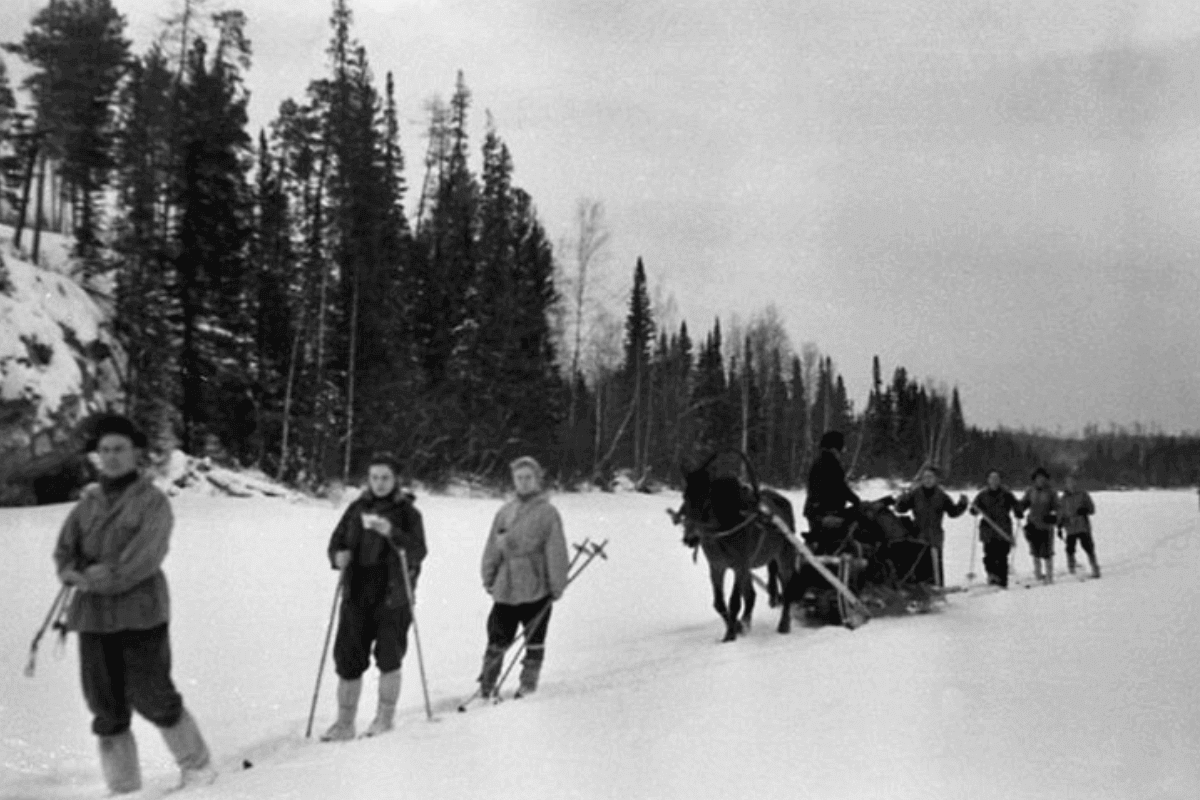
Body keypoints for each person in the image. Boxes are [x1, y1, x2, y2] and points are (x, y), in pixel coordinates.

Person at [52, 414, 214, 794]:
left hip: (140, 613)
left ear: (136, 453)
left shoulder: (152, 501)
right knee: (104, 706)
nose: (111, 457)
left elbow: (146, 556)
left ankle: (197, 766)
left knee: (152, 694)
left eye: (119, 449)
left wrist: (97, 577)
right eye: (104, 450)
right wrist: (70, 573)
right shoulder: (87, 504)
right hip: (92, 617)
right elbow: (65, 551)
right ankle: (123, 786)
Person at [323, 452, 427, 741]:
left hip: (393, 594)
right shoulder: (356, 508)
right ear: (367, 480)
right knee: (348, 657)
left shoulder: (408, 512)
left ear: (396, 480)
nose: (380, 483)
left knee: (389, 656)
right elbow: (337, 542)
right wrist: (337, 556)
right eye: (374, 477)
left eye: (386, 478)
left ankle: (384, 718)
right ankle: (344, 723)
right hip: (357, 590)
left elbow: (418, 551)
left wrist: (391, 532)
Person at [478, 456, 570, 698]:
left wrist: (557, 584)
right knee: (497, 636)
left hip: (536, 584)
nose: (524, 482)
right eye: (519, 478)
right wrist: (489, 576)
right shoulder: (505, 512)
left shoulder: (548, 513)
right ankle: (486, 684)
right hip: (506, 585)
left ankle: (528, 684)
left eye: (529, 477)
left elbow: (556, 550)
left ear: (537, 479)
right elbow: (492, 546)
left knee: (535, 636)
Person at [894, 466, 968, 586]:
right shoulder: (915, 494)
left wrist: (962, 505)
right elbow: (901, 509)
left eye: (930, 477)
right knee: (919, 566)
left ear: (936, 479)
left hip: (935, 537)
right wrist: (901, 499)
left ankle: (937, 588)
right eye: (925, 477)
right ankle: (920, 591)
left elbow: (953, 512)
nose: (927, 480)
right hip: (918, 536)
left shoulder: (942, 496)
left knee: (935, 567)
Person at [803, 431, 861, 551]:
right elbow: (840, 487)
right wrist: (856, 501)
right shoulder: (830, 463)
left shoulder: (819, 461)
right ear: (835, 448)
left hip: (815, 512)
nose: (841, 452)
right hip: (826, 512)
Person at [969, 470, 1022, 587]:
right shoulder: (982, 495)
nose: (994, 482)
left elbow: (1016, 505)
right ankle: (991, 576)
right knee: (989, 556)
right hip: (988, 531)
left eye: (996, 479)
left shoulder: (1007, 494)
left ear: (999, 481)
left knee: (1002, 556)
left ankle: (1002, 580)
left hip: (1003, 530)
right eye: (992, 479)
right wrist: (973, 510)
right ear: (988, 481)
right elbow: (974, 508)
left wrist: (1018, 512)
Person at [1018, 467, 1060, 583]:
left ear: (1046, 479)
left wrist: (1055, 517)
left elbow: (1058, 507)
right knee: (1034, 551)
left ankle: (1049, 575)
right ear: (1034, 479)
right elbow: (1024, 503)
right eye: (1038, 478)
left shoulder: (1051, 492)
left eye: (1043, 478)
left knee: (1047, 552)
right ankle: (1037, 573)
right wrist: (1019, 510)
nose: (1040, 480)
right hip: (1032, 524)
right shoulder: (1030, 491)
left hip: (1046, 525)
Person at [1058, 474, 1100, 578]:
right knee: (1069, 549)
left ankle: (1095, 568)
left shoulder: (1083, 495)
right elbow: (1061, 513)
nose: (1070, 485)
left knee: (1088, 547)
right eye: (1068, 483)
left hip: (1083, 527)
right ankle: (1071, 569)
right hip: (1070, 528)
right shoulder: (1063, 498)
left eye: (1072, 482)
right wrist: (1059, 526)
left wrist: (1085, 510)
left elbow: (1092, 509)